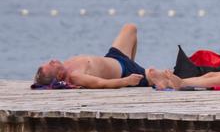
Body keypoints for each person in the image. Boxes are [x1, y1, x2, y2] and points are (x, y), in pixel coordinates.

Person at [32, 23, 166, 89]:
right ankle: (140, 75)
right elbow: (101, 83)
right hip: (124, 71)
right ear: (59, 76)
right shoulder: (75, 76)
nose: (52, 61)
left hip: (114, 57)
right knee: (162, 75)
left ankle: (135, 65)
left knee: (130, 28)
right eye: (51, 65)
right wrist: (127, 81)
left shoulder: (66, 64)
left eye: (49, 62)